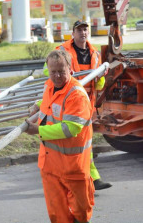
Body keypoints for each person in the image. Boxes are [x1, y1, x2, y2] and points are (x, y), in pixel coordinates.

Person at [26, 50, 95, 223]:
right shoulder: (49, 86)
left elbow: (70, 128)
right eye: (53, 72)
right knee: (58, 215)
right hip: (50, 166)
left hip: (73, 167)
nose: (57, 76)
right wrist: (38, 105)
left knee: (81, 213)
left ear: (70, 69)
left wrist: (38, 130)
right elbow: (52, 104)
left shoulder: (76, 94)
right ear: (48, 69)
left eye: (61, 71)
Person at [43, 20, 112, 190]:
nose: (83, 33)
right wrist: (63, 72)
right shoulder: (61, 51)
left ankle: (89, 179)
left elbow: (98, 85)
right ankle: (90, 179)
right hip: (67, 101)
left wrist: (101, 77)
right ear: (72, 33)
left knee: (83, 143)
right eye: (79, 30)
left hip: (86, 105)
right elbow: (48, 71)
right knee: (76, 142)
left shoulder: (95, 53)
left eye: (85, 30)